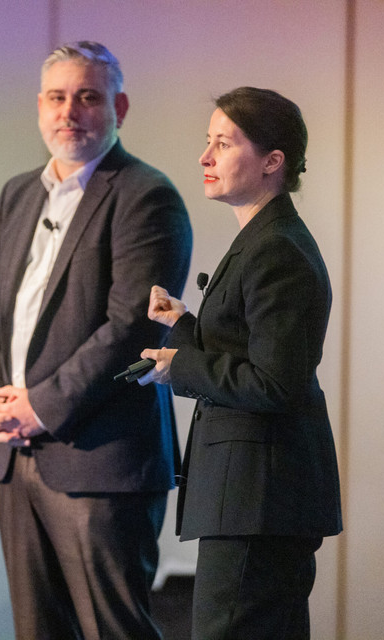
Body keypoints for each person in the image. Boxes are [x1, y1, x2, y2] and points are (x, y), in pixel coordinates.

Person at [0, 41, 192, 639]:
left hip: (104, 462)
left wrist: (39, 406)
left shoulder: (146, 195)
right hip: (18, 457)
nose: (71, 111)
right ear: (40, 107)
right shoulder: (18, 194)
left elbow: (133, 329)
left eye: (88, 97)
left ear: (118, 106)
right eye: (59, 98)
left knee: (114, 631)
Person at [139, 87, 343, 639]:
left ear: (272, 162)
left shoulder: (277, 249)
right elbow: (249, 354)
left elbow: (275, 382)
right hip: (255, 499)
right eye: (208, 142)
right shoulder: (263, 239)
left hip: (261, 500)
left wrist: (178, 365)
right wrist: (183, 326)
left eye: (223, 143)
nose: (205, 158)